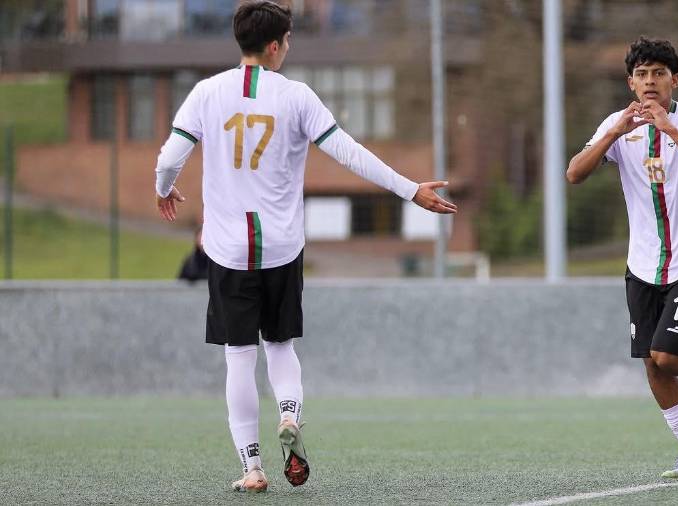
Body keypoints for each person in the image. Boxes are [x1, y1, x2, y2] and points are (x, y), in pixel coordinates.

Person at [154, 0, 457, 493]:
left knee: (238, 356)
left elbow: (170, 157)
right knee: (280, 346)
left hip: (227, 249)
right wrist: (410, 190)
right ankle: (289, 415)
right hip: (280, 247)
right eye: (288, 41)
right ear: (274, 46)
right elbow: (348, 153)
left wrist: (165, 187)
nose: (288, 49)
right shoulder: (296, 97)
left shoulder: (206, 94)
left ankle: (252, 467)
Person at [566, 36, 678, 478]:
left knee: (668, 355)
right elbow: (574, 173)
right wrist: (612, 133)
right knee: (653, 362)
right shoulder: (617, 124)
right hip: (643, 265)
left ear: (675, 80)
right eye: (642, 74)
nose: (650, 82)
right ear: (631, 83)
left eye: (659, 74)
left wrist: (670, 129)